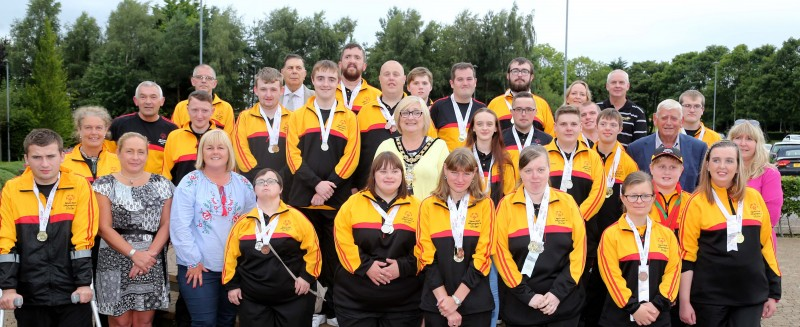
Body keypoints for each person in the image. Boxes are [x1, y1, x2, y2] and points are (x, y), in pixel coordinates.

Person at [286, 59, 360, 325]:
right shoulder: (298, 116)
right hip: (304, 200)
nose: (326, 84)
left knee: (333, 257)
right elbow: (292, 156)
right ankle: (312, 309)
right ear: (313, 81)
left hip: (335, 201)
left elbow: (351, 157)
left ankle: (332, 308)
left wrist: (327, 187)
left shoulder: (349, 117)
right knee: (305, 255)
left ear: (338, 82)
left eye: (331, 79)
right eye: (321, 79)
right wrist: (315, 184)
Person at [0, 129, 98, 325]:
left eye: (50, 156)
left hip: (71, 291)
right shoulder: (12, 189)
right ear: (26, 159)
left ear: (62, 156)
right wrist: (9, 288)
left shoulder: (79, 185)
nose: (44, 164)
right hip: (30, 292)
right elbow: (5, 241)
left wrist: (83, 284)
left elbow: (83, 239)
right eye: (37, 157)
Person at [679, 140, 781, 326]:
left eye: (729, 160)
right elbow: (687, 255)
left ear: (738, 166)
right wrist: (684, 302)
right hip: (709, 298)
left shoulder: (754, 198)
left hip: (750, 295)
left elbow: (767, 247)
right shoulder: (695, 202)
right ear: (707, 165)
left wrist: (774, 293)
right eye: (716, 160)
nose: (722, 166)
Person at [170, 129, 257, 327]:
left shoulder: (243, 183)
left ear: (229, 152)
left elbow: (251, 224)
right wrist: (193, 261)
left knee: (226, 321)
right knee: (204, 322)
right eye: (209, 147)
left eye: (220, 147)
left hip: (233, 268)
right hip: (199, 267)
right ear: (202, 152)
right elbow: (179, 225)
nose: (215, 152)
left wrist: (245, 261)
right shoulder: (190, 182)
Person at [493, 145, 587, 327]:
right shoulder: (506, 205)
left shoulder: (567, 202)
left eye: (540, 169)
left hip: (563, 304)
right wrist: (527, 295)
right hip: (521, 306)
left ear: (549, 170)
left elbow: (579, 252)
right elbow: (501, 254)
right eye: (528, 170)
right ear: (520, 172)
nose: (535, 176)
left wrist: (557, 294)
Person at [222, 168, 321, 327]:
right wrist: (232, 286)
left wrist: (306, 277)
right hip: (253, 301)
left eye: (271, 181)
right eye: (260, 182)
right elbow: (230, 258)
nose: (265, 184)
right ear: (254, 189)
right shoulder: (242, 224)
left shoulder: (297, 218)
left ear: (281, 188)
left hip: (294, 299)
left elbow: (314, 250)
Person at [333, 152, 423, 326]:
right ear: (373, 174)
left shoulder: (418, 207)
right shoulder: (352, 204)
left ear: (402, 176)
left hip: (404, 304)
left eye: (395, 171)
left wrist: (403, 267)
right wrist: (365, 266)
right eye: (383, 171)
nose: (389, 176)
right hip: (355, 303)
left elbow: (426, 245)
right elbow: (341, 240)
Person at [93, 132, 173, 326]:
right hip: (114, 259)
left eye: (140, 152)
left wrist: (148, 256)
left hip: (151, 260)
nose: (135, 157)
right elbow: (103, 227)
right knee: (119, 322)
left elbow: (167, 224)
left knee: (144, 322)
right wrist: (133, 254)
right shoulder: (103, 184)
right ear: (118, 153)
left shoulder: (162, 184)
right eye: (129, 151)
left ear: (147, 155)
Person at [416, 148, 495, 327]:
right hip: (438, 302)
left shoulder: (485, 205)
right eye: (454, 172)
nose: (460, 180)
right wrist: (446, 302)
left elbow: (483, 256)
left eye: (467, 173)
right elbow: (425, 256)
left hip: (475, 302)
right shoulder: (428, 206)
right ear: (444, 170)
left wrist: (456, 300)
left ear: (475, 173)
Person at [597, 172, 681, 327]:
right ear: (622, 198)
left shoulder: (667, 235)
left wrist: (658, 304)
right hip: (619, 318)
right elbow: (611, 277)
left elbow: (673, 273)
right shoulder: (610, 235)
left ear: (653, 198)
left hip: (657, 316)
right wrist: (633, 308)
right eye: (633, 196)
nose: (639, 201)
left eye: (645, 195)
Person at [582, 109, 639, 327]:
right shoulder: (585, 157)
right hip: (588, 231)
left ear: (620, 129)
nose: (607, 129)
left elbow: (632, 202)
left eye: (612, 125)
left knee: (610, 283)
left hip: (614, 233)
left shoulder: (628, 163)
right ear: (596, 127)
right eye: (603, 124)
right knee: (588, 285)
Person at [375, 96, 450, 198]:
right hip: (393, 211)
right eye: (405, 113)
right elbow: (375, 183)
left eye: (416, 113)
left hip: (429, 211)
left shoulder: (439, 147)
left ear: (425, 117)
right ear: (398, 117)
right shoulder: (386, 146)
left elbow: (447, 184)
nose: (410, 117)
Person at [627, 99, 708, 193]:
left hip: (687, 206)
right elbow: (631, 186)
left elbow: (702, 185)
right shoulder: (635, 149)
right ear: (655, 119)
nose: (668, 123)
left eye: (674, 118)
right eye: (664, 118)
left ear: (681, 121)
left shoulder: (699, 148)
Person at [233, 67, 293, 189]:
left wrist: (279, 178)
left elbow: (295, 152)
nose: (268, 94)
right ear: (256, 90)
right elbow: (240, 150)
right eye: (263, 89)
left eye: (273, 89)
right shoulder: (245, 117)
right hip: (252, 183)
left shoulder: (292, 118)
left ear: (281, 90)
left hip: (285, 183)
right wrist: (260, 177)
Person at [728, 120, 783, 248]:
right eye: (738, 138)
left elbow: (771, 217)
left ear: (757, 143)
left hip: (757, 240)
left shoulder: (769, 174)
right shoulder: (723, 171)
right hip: (724, 237)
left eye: (749, 139)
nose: (742, 143)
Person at [545, 105, 606, 221]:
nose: (569, 128)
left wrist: (576, 217)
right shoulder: (541, 155)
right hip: (547, 224)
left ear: (580, 127)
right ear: (555, 127)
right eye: (563, 124)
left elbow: (598, 193)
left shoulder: (593, 157)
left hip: (583, 224)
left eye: (573, 124)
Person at [353, 60, 405, 190]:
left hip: (407, 189)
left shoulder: (416, 110)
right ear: (380, 79)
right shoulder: (364, 111)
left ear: (404, 79)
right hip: (367, 188)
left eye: (396, 74)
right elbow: (354, 152)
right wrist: (353, 185)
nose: (391, 78)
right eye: (387, 74)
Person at [109, 81, 178, 174]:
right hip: (124, 184)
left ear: (162, 101)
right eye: (143, 97)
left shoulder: (172, 130)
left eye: (153, 97)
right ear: (135, 101)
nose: (148, 102)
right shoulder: (118, 124)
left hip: (157, 186)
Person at [162, 90, 220, 186]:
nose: (199, 115)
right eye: (194, 110)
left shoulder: (221, 137)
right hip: (182, 198)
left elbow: (228, 171)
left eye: (205, 110)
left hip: (213, 198)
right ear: (187, 109)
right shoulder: (174, 137)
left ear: (212, 111)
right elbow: (166, 175)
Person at [487, 57, 555, 135]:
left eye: (524, 71)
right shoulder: (494, 104)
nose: (519, 75)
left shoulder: (542, 105)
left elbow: (551, 138)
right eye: (515, 71)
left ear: (532, 77)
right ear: (508, 75)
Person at [464, 108, 515, 206]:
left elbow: (509, 197)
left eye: (489, 124)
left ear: (496, 128)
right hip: (468, 216)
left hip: (497, 217)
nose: (484, 128)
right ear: (473, 128)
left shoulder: (505, 159)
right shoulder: (463, 157)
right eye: (479, 124)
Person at [430, 62, 485, 151]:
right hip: (446, 164)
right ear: (452, 83)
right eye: (460, 79)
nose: (465, 83)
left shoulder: (482, 109)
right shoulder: (438, 107)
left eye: (469, 79)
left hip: (475, 164)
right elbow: (429, 140)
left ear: (475, 82)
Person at [172, 64, 235, 137]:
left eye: (208, 78)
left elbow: (228, 139)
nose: (203, 81)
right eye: (199, 77)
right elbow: (175, 137)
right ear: (193, 81)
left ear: (214, 83)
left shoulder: (226, 108)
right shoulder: (181, 107)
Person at [501, 91, 552, 180]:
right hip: (507, 193)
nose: (523, 114)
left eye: (528, 109)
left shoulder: (547, 140)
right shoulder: (499, 139)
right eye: (519, 109)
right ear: (511, 112)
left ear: (535, 112)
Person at [63, 105, 120, 183]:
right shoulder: (63, 163)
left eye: (98, 128)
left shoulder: (119, 162)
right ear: (79, 129)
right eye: (88, 127)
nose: (93, 132)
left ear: (106, 130)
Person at [596, 70, 647, 147]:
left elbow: (640, 145)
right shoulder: (596, 109)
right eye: (613, 82)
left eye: (621, 82)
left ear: (628, 86)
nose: (617, 85)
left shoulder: (637, 112)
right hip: (595, 158)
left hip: (626, 158)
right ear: (607, 86)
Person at [336, 43, 381, 114]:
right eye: (347, 57)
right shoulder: (328, 92)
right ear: (340, 65)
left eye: (357, 58)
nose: (352, 61)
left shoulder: (377, 96)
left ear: (364, 66)